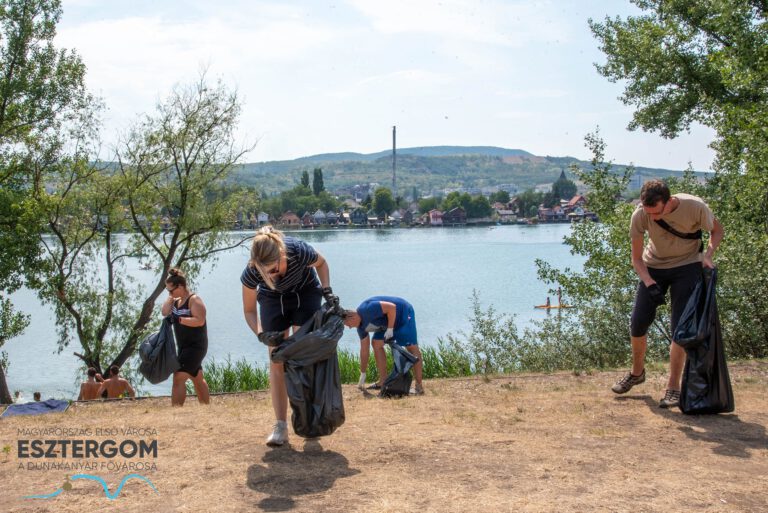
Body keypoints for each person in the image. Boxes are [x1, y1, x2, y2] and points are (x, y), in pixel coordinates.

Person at [612, 180, 723, 408]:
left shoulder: (695, 207)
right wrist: (649, 283)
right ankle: (637, 373)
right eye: (648, 211)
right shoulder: (640, 215)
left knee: (679, 329)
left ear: (669, 202)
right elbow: (636, 258)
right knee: (637, 322)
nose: (652, 217)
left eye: (656, 212)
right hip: (653, 267)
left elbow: (716, 230)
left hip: (687, 266)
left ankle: (673, 387)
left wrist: (708, 255)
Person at [241, 226, 335, 447]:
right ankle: (280, 425)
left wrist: (327, 290)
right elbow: (249, 310)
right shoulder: (252, 271)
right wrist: (261, 333)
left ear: (282, 256)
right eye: (265, 272)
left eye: (273, 270)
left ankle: (310, 420)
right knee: (276, 358)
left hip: (306, 292)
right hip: (273, 300)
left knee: (305, 355)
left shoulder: (299, 251)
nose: (270, 275)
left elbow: (321, 263)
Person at [342, 296, 424, 395]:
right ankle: (383, 381)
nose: (350, 327)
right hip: (388, 322)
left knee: (411, 347)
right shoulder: (361, 328)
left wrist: (390, 329)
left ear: (351, 316)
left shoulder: (367, 308)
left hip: (403, 313)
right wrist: (363, 373)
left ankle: (419, 387)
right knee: (376, 343)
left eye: (348, 324)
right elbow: (364, 350)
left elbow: (392, 307)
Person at [161, 268, 210, 406]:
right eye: (168, 291)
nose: (169, 293)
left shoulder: (194, 300)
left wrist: (180, 320)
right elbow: (164, 312)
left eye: (171, 290)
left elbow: (199, 320)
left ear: (181, 286)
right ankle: (206, 408)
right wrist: (171, 298)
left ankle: (176, 411)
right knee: (197, 377)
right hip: (183, 346)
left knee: (178, 377)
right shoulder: (176, 301)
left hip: (196, 346)